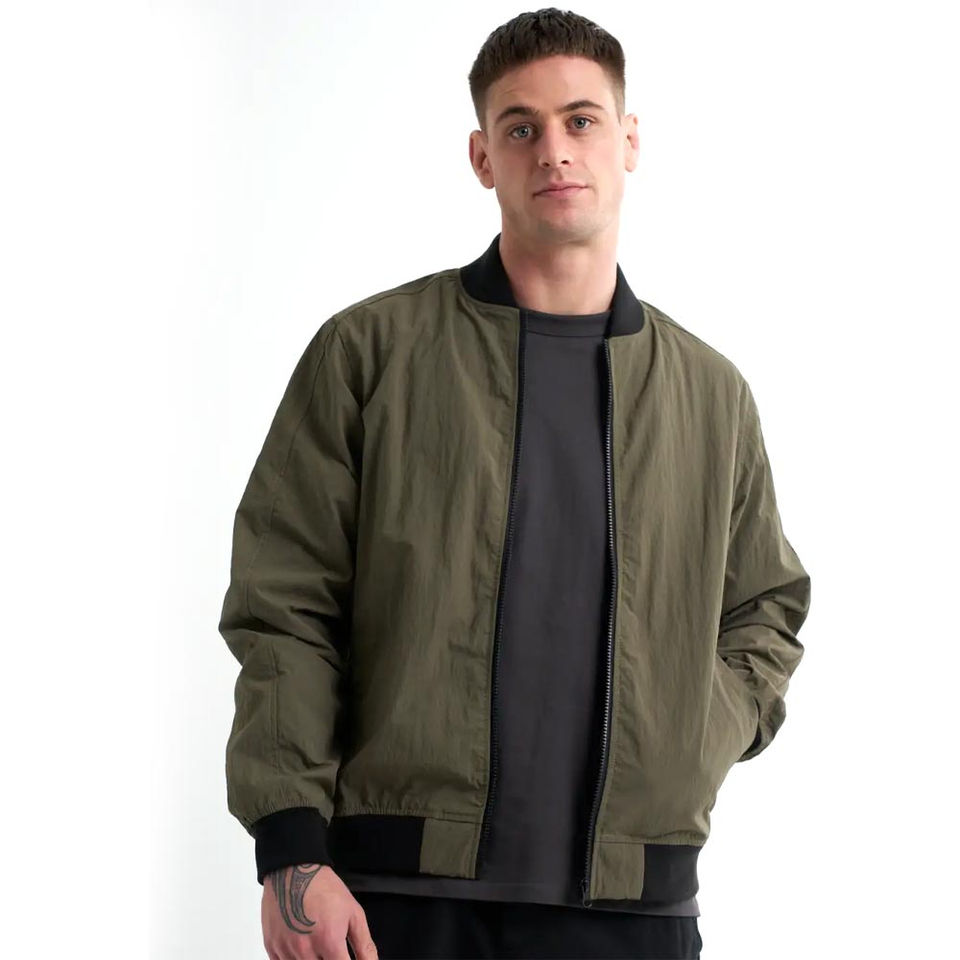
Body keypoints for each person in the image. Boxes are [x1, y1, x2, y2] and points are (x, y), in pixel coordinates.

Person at [218, 8, 811, 959]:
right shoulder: (371, 353)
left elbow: (766, 607)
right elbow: (284, 604)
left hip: (634, 913)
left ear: (629, 142)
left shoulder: (711, 393)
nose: (554, 150)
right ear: (482, 157)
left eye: (581, 120)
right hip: (396, 899)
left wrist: (697, 734)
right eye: (521, 126)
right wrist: (290, 849)